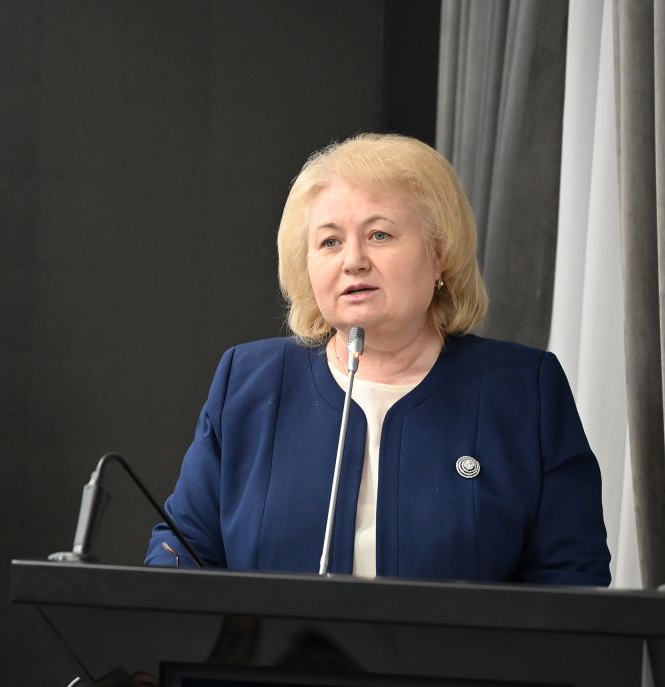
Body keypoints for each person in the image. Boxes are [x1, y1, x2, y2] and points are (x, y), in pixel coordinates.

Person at [145, 133, 610, 586]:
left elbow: (570, 578)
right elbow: (183, 550)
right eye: (330, 242)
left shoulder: (524, 390)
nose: (353, 261)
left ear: (439, 254)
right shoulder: (250, 381)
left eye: (379, 234)